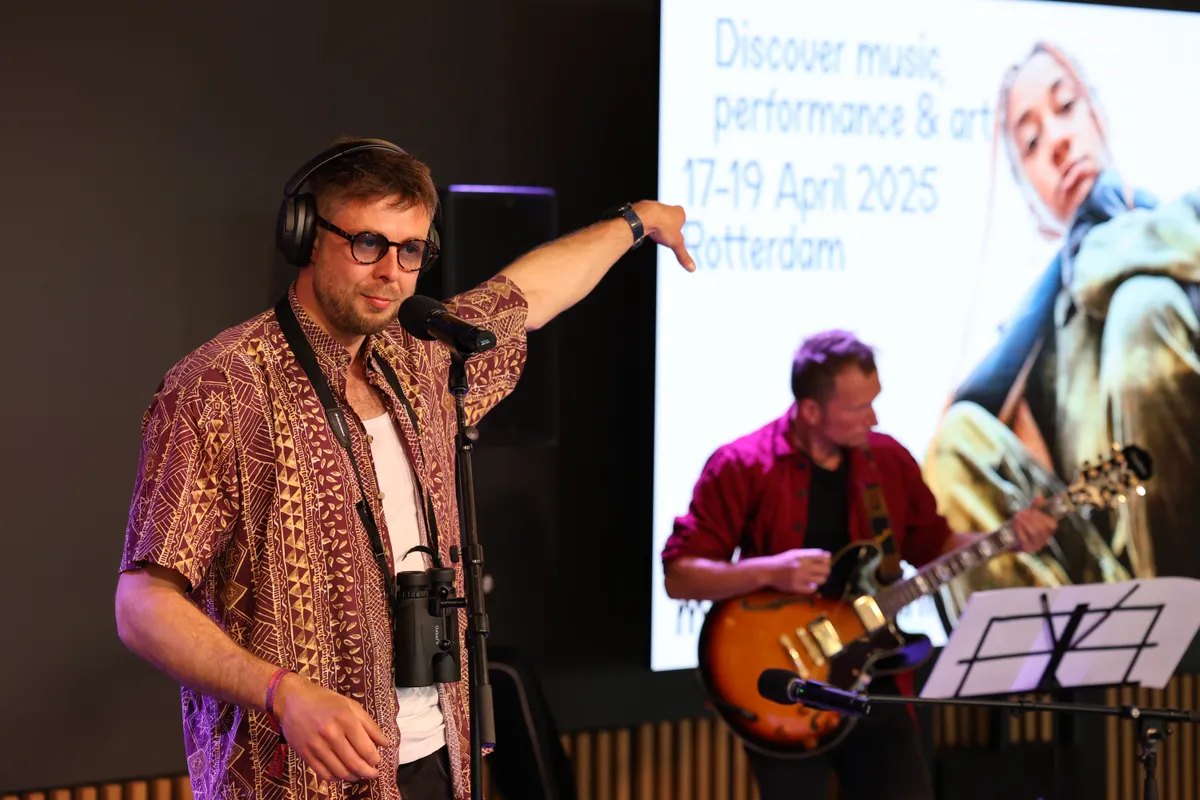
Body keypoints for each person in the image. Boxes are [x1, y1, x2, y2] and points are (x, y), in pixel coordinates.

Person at [114, 137, 695, 800]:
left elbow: (528, 295)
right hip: (296, 779)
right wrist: (281, 691)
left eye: (412, 250)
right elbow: (142, 604)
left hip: (437, 760)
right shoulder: (218, 388)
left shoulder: (423, 360)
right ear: (306, 235)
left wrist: (638, 222)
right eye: (368, 243)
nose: (392, 272)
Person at [661, 329, 1058, 800]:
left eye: (874, 402)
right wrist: (771, 570)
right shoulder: (741, 465)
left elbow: (935, 545)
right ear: (811, 410)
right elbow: (680, 576)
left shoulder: (888, 459)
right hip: (788, 686)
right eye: (858, 408)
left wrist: (1008, 539)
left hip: (876, 681)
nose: (874, 417)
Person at [924, 41, 1200, 612]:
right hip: (1103, 579)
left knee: (1142, 305)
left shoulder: (1175, 224)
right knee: (956, 444)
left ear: (1098, 116)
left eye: (1066, 107)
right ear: (1028, 200)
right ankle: (1045, 661)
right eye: (1030, 142)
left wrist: (1102, 251)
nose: (1056, 142)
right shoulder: (1033, 336)